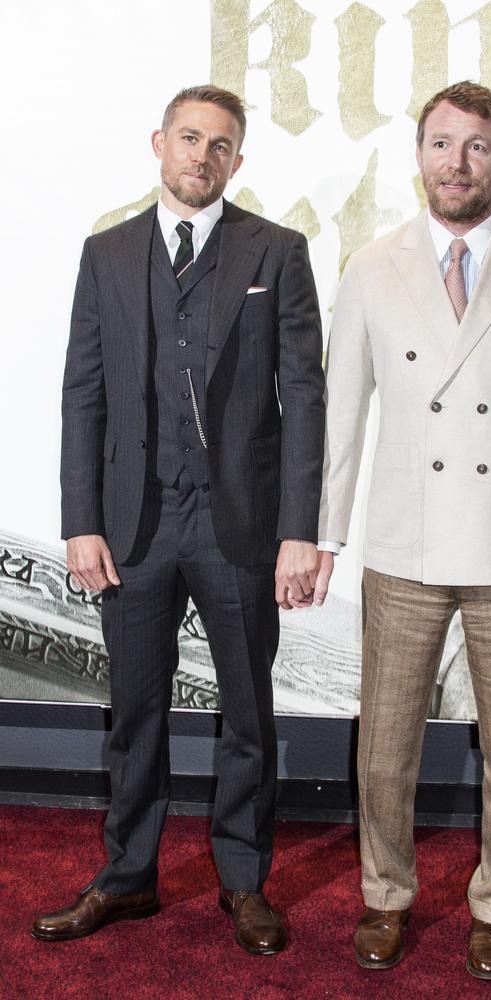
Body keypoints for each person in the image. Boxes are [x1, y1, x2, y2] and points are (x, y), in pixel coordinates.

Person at [315, 81, 491, 979]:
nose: (456, 162)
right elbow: (341, 415)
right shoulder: (372, 264)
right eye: (441, 143)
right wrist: (323, 538)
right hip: (405, 544)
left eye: (476, 146)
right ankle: (385, 896)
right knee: (386, 745)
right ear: (419, 155)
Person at [33, 85, 325, 954]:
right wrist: (80, 517)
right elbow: (82, 394)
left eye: (221, 145)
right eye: (190, 138)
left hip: (240, 526)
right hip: (133, 527)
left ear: (238, 160)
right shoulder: (107, 254)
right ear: (159, 143)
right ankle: (127, 878)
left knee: (248, 715)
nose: (203, 156)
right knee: (134, 713)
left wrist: (299, 529)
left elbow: (304, 398)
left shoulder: (278, 251)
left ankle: (243, 880)